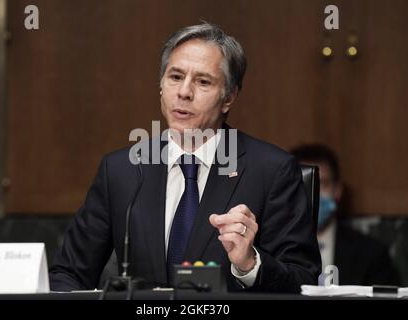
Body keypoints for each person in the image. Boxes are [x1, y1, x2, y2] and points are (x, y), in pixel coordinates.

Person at [49, 23, 321, 293]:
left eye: (203, 82)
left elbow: (303, 281)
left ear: (229, 97)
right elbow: (68, 273)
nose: (184, 92)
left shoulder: (271, 171)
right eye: (175, 77)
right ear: (161, 86)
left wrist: (249, 265)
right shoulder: (122, 170)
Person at [292, 144, 399, 286]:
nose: (313, 194)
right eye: (304, 184)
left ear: (337, 191)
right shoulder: (265, 251)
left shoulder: (372, 254)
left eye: (322, 184)